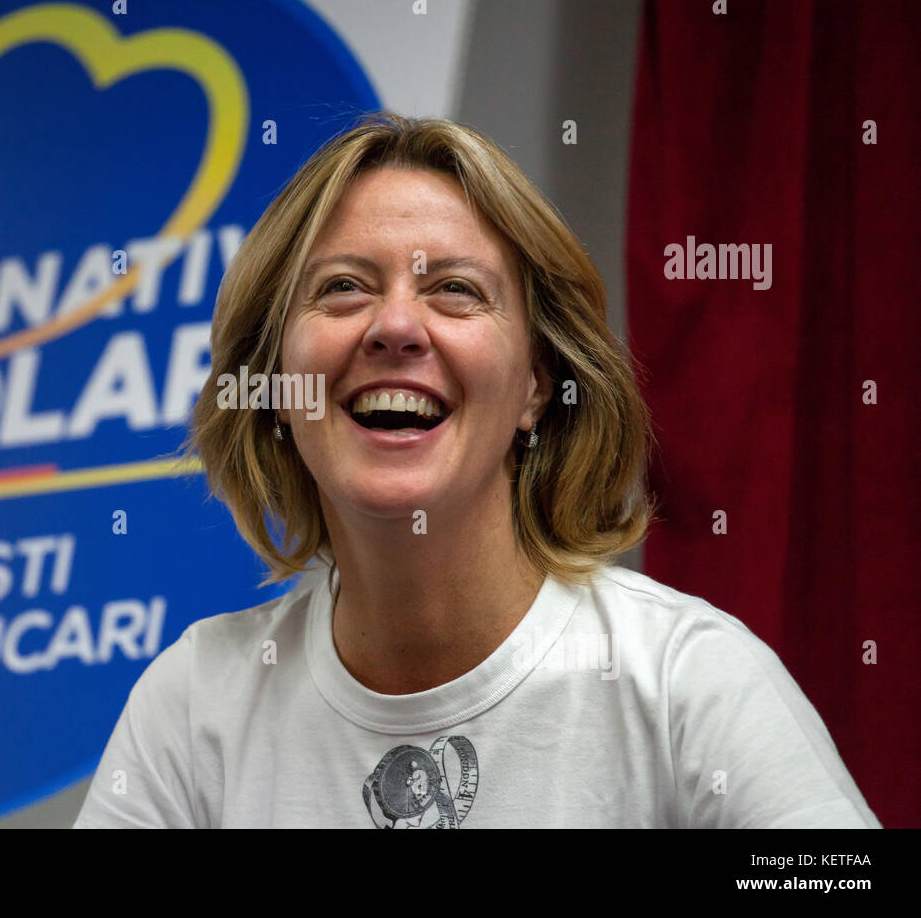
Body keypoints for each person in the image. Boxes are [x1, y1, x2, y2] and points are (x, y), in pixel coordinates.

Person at [72, 111, 880, 828]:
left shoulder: (686, 680)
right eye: (344, 288)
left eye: (455, 290)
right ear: (277, 386)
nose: (395, 326)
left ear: (536, 384)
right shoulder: (192, 705)